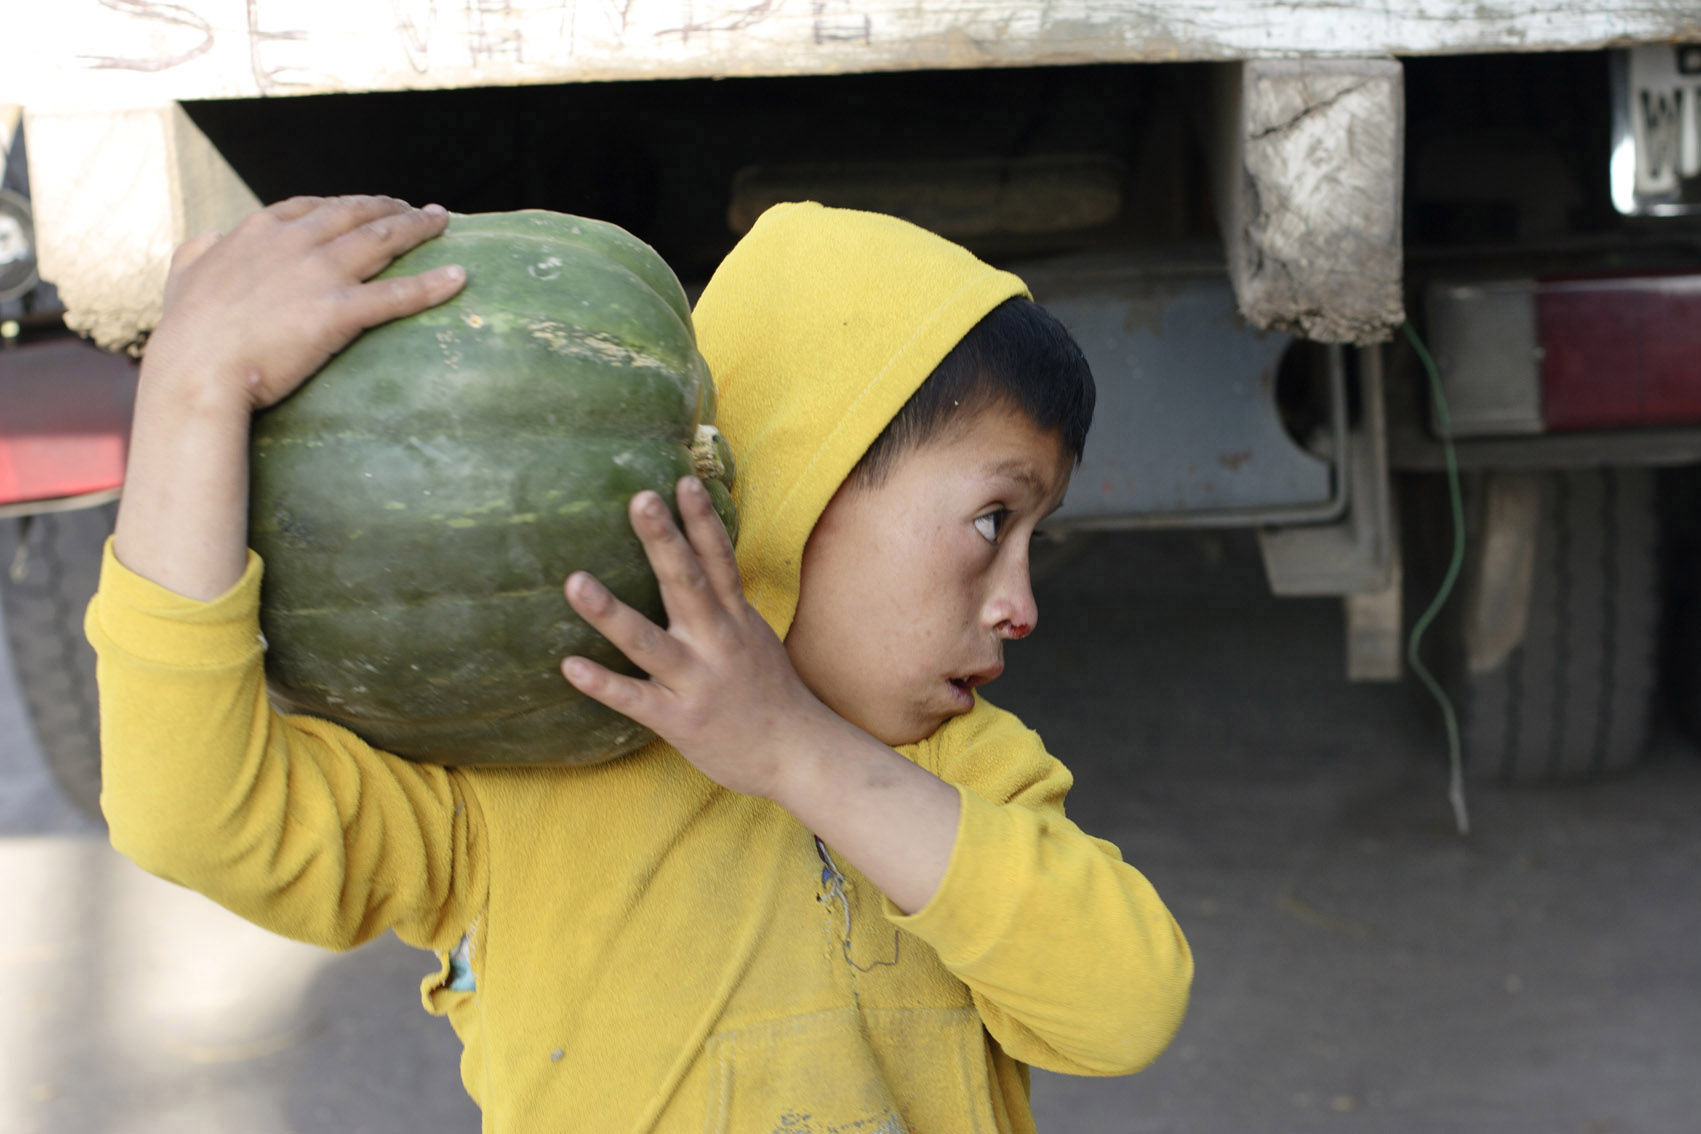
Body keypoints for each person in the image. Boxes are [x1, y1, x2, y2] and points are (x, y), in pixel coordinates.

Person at [89, 194, 1193, 1132]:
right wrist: (192, 397)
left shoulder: (967, 781)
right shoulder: (515, 791)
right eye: (994, 520)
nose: (1022, 606)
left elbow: (1123, 1007)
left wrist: (800, 755)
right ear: (805, 468)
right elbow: (191, 808)